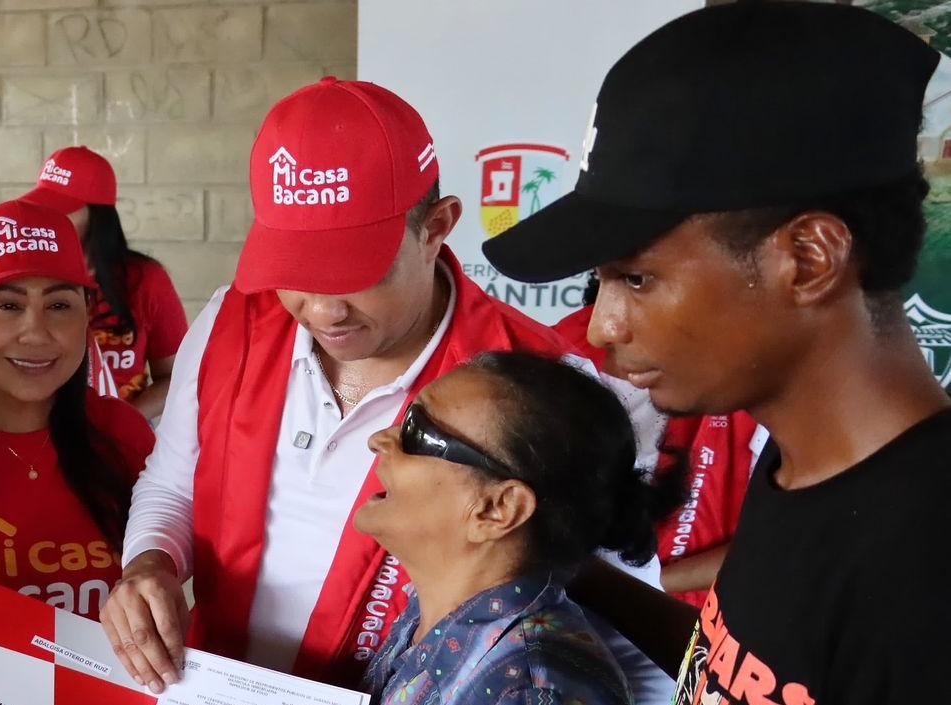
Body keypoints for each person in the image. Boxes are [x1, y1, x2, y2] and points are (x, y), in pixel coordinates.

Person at [101, 77, 672, 700]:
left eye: (351, 272)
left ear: (436, 226)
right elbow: (171, 479)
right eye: (293, 270)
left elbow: (629, 640)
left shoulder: (550, 392)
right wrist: (150, 563)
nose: (322, 310)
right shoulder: (230, 323)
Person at [480, 4, 950, 702]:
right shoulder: (804, 463)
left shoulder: (924, 570)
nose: (603, 324)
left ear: (807, 258)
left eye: (636, 278)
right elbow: (739, 674)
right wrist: (565, 567)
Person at [360, 352, 672, 705]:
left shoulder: (531, 692)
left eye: (418, 433)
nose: (380, 439)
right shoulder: (438, 612)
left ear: (498, 509)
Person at [0, 199, 155, 630]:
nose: (36, 333)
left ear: (86, 315)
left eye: (59, 306)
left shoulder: (123, 434)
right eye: (7, 305)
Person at [553, 280, 764, 608]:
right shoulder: (552, 346)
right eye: (606, 274)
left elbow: (790, 543)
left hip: (696, 632)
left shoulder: (756, 380)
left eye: (637, 278)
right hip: (556, 619)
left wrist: (644, 586)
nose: (601, 328)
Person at [19, 146, 188, 419]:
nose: (46, 221)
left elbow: (175, 378)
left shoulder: (145, 280)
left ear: (97, 216)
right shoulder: (25, 276)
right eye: (42, 208)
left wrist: (120, 422)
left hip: (123, 438)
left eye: (59, 211)